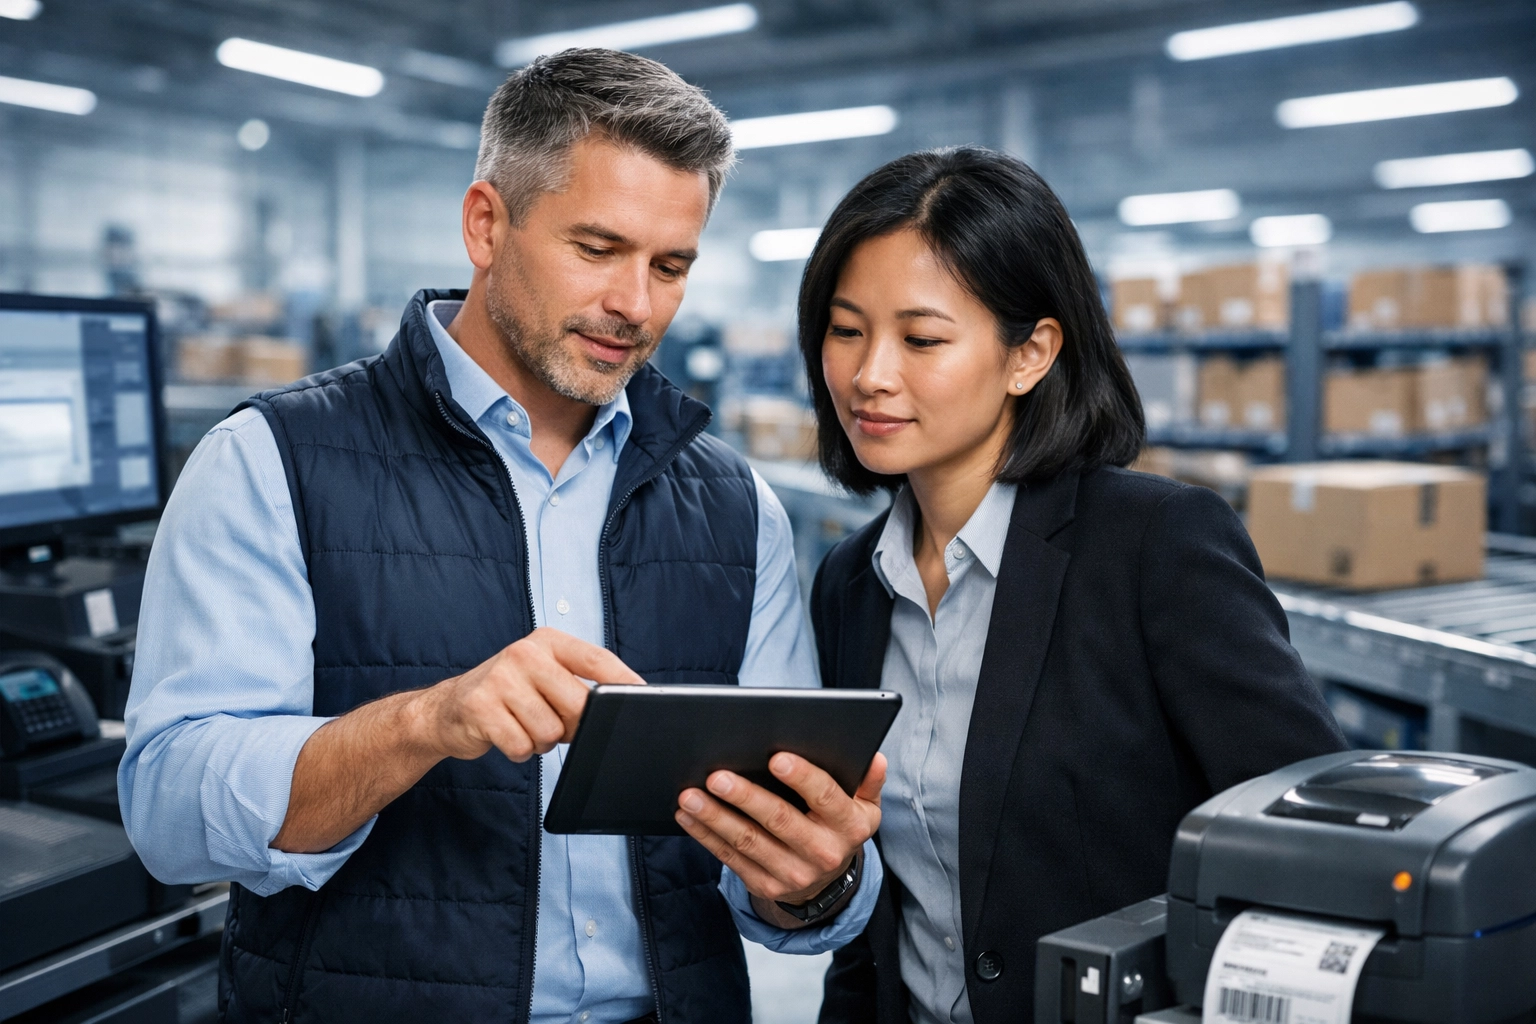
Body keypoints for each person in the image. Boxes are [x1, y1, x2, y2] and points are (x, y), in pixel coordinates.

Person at [119, 49, 886, 1024]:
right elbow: (170, 812)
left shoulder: (739, 510)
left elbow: (791, 894)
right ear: (488, 223)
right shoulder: (271, 463)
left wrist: (811, 878)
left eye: (670, 266)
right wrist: (423, 722)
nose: (636, 305)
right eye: (598, 249)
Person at [799, 147, 1348, 1024]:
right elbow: (879, 914)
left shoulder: (1153, 548)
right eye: (846, 328)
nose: (870, 375)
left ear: (1031, 354)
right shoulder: (850, 585)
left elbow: (1310, 843)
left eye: (923, 338)